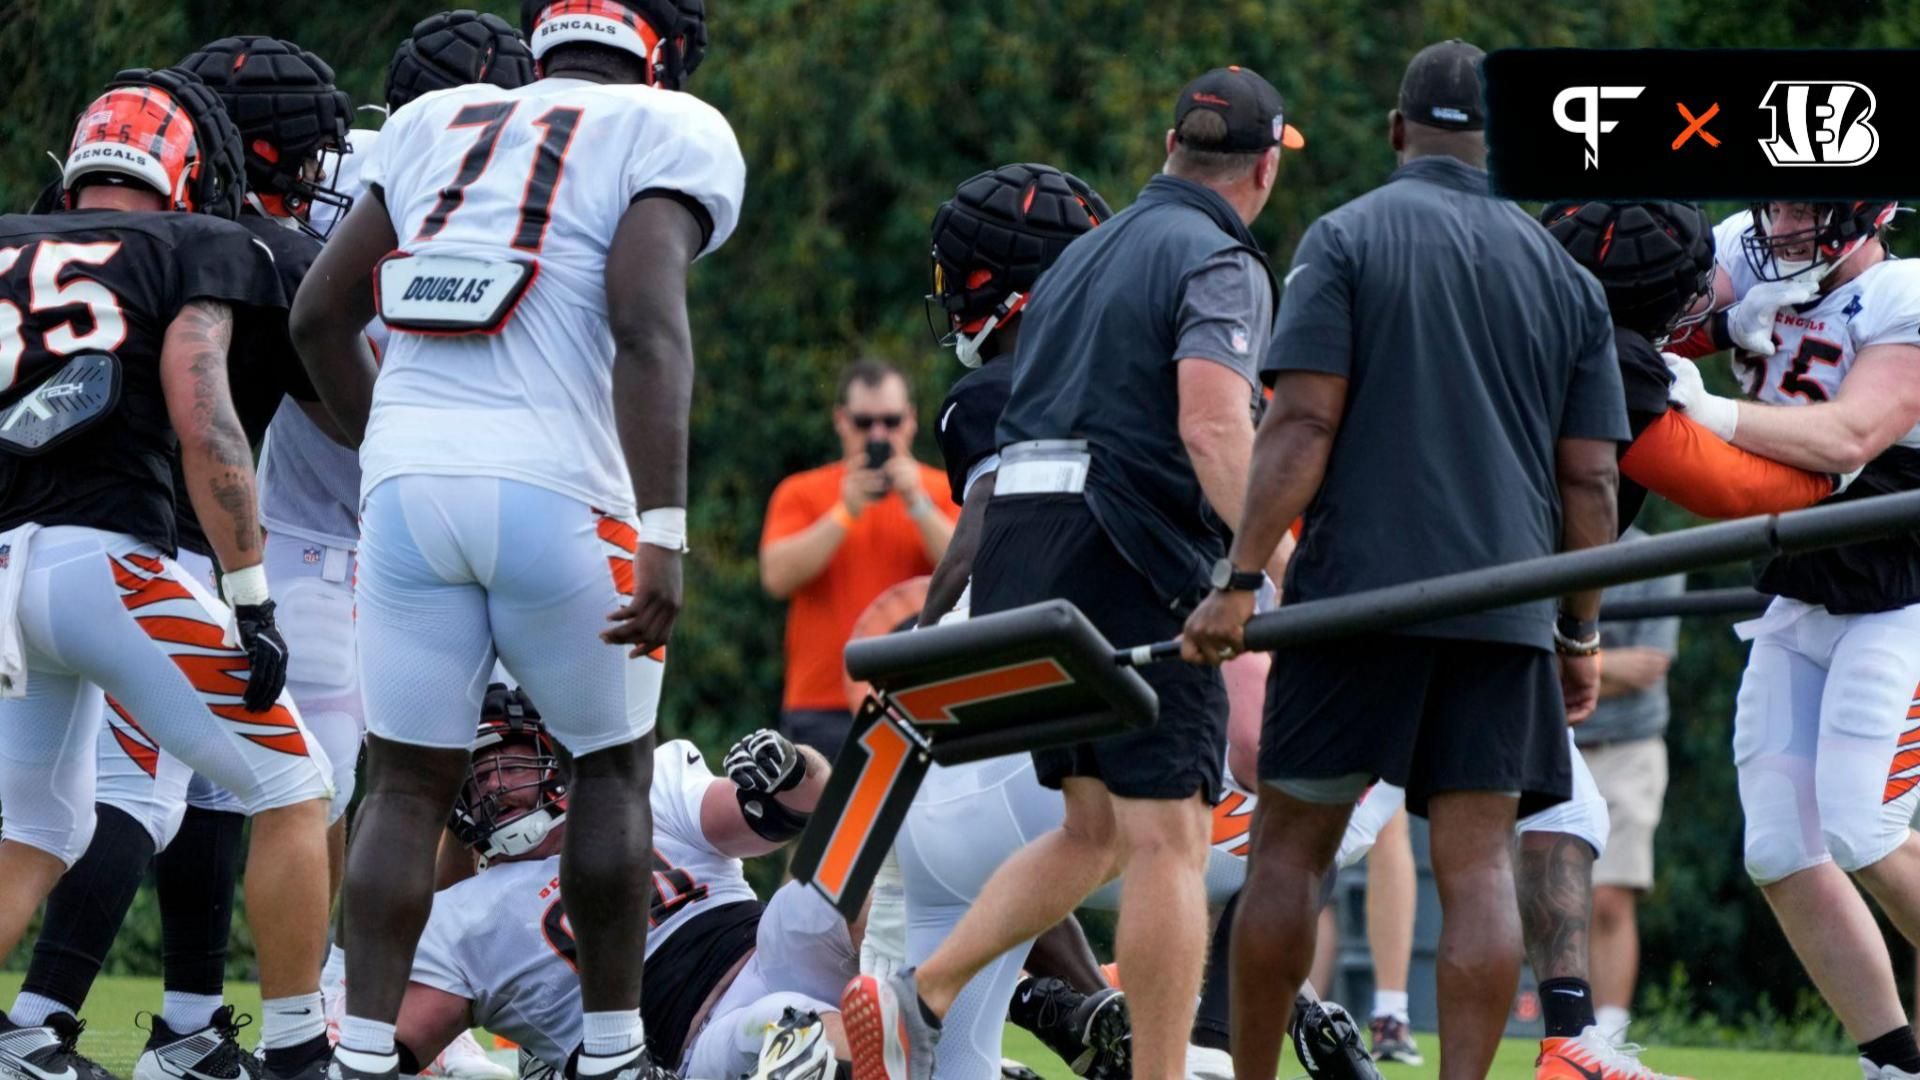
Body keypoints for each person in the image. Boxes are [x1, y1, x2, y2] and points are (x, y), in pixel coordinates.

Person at [288, 2, 742, 1078]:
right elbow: (645, 321)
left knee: (400, 786)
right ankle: (613, 1053)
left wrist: (392, 442)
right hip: (561, 490)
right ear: (660, 55)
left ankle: (356, 1055)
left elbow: (317, 317)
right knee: (611, 773)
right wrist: (667, 529)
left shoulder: (434, 118)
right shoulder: (668, 125)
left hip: (405, 487)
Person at [842, 66, 1304, 1080]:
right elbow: (1213, 427)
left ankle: (917, 993)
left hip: (1026, 567)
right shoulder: (1223, 257)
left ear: (1171, 149)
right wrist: (1274, 566)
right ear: (1266, 165)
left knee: (1093, 828)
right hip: (1132, 553)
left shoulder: (1084, 257)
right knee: (1169, 843)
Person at [1183, 39, 1627, 1080]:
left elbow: (1298, 425)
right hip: (1508, 605)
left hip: (1353, 606)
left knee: (1289, 849)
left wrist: (1240, 579)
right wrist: (1581, 632)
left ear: (1396, 131)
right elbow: (1594, 484)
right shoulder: (1565, 278)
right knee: (1475, 867)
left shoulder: (1344, 237)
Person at [4, 42, 354, 1080]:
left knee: (36, 825)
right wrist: (249, 594)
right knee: (295, 783)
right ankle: (297, 1052)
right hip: (113, 564)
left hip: (8, 570)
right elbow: (208, 427)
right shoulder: (188, 244)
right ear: (186, 171)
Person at [260, 18, 535, 1080]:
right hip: (331, 517)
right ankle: (329, 1001)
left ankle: (419, 1011)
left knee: (459, 774)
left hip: (412, 513)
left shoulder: (510, 188)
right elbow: (311, 325)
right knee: (326, 783)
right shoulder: (370, 187)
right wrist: (401, 451)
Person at [1659, 201, 1920, 1080]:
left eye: (1809, 203)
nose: (1784, 222)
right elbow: (1651, 313)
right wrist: (1711, 322)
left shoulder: (1906, 291)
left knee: (1863, 826)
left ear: (1864, 208)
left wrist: (1715, 413)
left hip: (1903, 592)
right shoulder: (1748, 244)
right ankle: (1893, 1061)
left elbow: (1850, 437)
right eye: (1777, 198)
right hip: (1805, 587)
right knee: (1778, 846)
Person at [389, 686, 847, 1080]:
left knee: (822, 891)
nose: (491, 787)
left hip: (770, 948)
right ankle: (890, 1041)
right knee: (786, 1023)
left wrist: (791, 766)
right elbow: (395, 1045)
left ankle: (907, 987)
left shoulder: (643, 789)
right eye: (477, 779)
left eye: (507, 764)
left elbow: (786, 812)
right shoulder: (464, 915)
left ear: (555, 752)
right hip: (696, 1041)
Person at [916, 162, 1112, 627]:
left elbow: (972, 547)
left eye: (959, 277)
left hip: (1052, 636)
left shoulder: (994, 391)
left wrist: (919, 636)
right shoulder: (1128, 373)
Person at [760, 359, 959, 759]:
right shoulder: (803, 492)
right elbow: (776, 576)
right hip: (822, 705)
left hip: (920, 698)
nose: (878, 435)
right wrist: (844, 511)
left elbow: (971, 570)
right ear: (841, 421)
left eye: (891, 420)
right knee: (827, 823)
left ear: (912, 421)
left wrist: (917, 503)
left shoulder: (942, 489)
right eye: (864, 423)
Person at [1576, 549, 1683, 1046]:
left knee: (1611, 899)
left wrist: (1572, 661)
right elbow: (1534, 659)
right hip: (1560, 746)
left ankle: (1610, 1036)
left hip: (1630, 751)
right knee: (1557, 900)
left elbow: (1649, 667)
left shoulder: (1657, 559)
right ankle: (1571, 1029)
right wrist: (1609, 665)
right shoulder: (1553, 539)